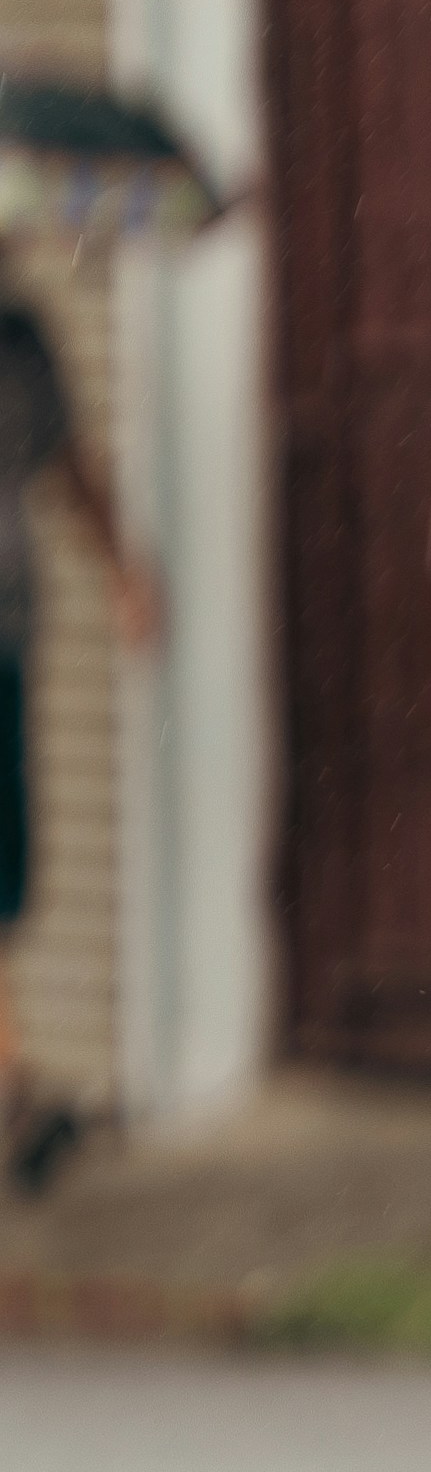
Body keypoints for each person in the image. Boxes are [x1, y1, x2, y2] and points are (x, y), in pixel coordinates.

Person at [0, 256, 154, 1192]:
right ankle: (11, 1083)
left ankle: (11, 1082)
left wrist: (122, 569)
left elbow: (68, 464)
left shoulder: (19, 337)